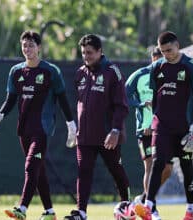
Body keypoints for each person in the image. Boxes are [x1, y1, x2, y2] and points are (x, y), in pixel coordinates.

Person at [0, 30, 77, 220]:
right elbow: (10, 99)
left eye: (31, 45)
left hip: (42, 128)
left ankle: (22, 208)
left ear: (39, 47)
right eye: (24, 45)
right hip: (24, 128)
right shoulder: (16, 71)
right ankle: (50, 211)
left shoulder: (51, 71)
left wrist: (71, 125)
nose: (27, 49)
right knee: (38, 169)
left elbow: (62, 99)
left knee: (30, 167)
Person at [135, 31, 193, 220]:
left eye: (170, 50)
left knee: (187, 165)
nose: (167, 54)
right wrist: (154, 120)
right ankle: (148, 206)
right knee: (158, 163)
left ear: (178, 45)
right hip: (162, 125)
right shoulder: (156, 67)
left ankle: (191, 209)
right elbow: (155, 97)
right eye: (163, 51)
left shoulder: (192, 66)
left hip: (186, 127)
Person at [64, 34, 130, 220]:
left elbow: (122, 106)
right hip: (84, 136)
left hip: (108, 136)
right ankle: (81, 212)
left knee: (116, 171)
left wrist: (115, 130)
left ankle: (127, 205)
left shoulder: (112, 72)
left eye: (90, 53)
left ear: (100, 51)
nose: (86, 56)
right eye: (84, 53)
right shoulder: (80, 73)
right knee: (83, 172)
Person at [125, 47, 173, 220]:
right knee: (151, 166)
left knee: (167, 169)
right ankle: (151, 209)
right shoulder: (139, 75)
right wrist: (139, 103)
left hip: (164, 130)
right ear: (153, 58)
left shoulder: (171, 77)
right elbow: (125, 94)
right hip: (145, 130)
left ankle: (143, 199)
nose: (161, 62)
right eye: (158, 59)